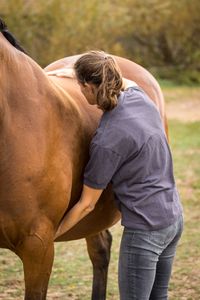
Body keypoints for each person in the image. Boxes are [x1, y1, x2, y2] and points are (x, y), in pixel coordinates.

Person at [55, 51, 183, 299]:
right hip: (173, 219)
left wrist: (52, 234)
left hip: (145, 233)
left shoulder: (107, 139)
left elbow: (87, 204)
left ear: (89, 87)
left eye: (80, 86)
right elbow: (127, 80)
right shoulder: (139, 97)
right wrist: (70, 73)